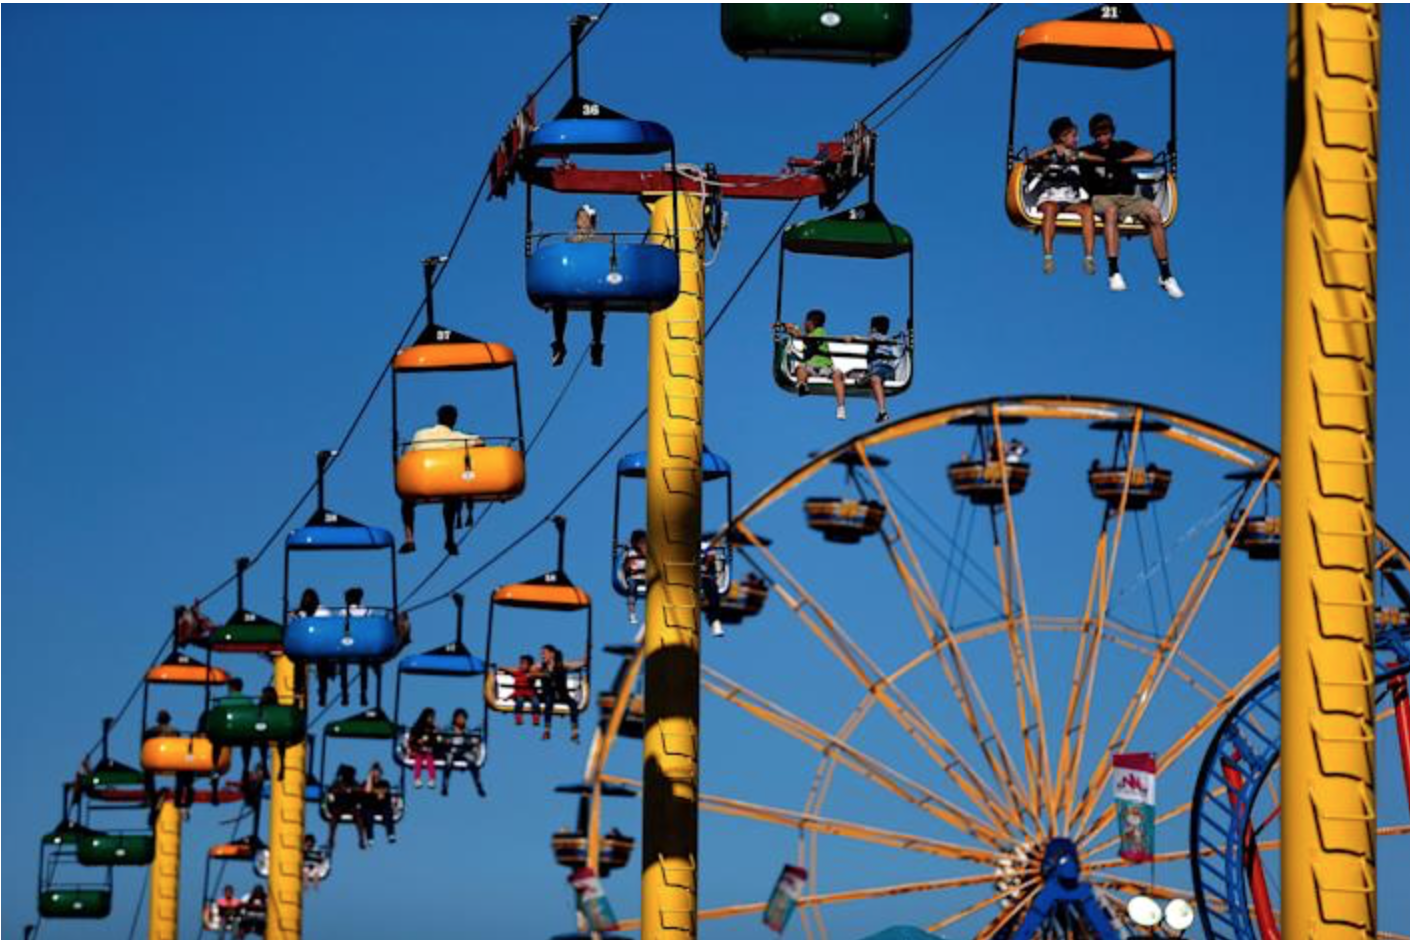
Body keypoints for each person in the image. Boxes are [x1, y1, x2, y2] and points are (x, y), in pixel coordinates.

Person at [1080, 112, 1184, 299]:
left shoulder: (1122, 147)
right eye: (1098, 134)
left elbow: (1148, 155)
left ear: (1112, 132)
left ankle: (1166, 274)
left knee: (1154, 215)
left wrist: (1122, 161)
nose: (1103, 137)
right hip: (1102, 197)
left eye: (1106, 133)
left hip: (1128, 197)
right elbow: (1075, 154)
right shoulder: (1089, 151)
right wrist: (1098, 160)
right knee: (1111, 212)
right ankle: (1114, 271)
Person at [400, 404, 481, 556]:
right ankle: (449, 538)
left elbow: (410, 454)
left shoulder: (420, 434)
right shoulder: (458, 437)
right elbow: (479, 442)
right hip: (446, 481)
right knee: (450, 499)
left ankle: (409, 538)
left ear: (437, 417)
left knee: (407, 502)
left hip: (422, 480)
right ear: (454, 419)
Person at [1028, 116, 1096, 276]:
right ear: (1062, 137)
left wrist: (1077, 156)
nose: (1077, 139)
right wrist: (1052, 149)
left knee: (1087, 210)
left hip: (1069, 201)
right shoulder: (1048, 155)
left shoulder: (1078, 154)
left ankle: (1089, 257)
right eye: (1074, 136)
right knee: (1051, 208)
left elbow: (1096, 159)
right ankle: (1048, 257)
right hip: (1049, 199)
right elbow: (1030, 159)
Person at [551, 204, 610, 369]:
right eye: (580, 218)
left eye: (585, 218)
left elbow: (604, 259)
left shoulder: (602, 239)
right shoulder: (570, 240)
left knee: (598, 303)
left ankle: (597, 344)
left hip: (593, 280)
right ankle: (559, 343)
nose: (582, 221)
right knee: (559, 302)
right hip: (574, 279)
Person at [782, 309, 848, 420]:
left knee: (837, 374)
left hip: (825, 367)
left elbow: (807, 338)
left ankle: (841, 406)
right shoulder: (809, 334)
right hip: (811, 367)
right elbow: (799, 333)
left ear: (810, 323)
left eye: (805, 322)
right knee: (800, 368)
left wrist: (795, 332)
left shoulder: (820, 331)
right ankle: (802, 385)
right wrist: (785, 327)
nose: (803, 325)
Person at [859, 314, 903, 424]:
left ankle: (882, 412)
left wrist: (853, 338)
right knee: (867, 375)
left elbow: (871, 340)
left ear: (873, 328)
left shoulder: (876, 336)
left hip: (882, 369)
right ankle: (864, 378)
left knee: (875, 378)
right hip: (884, 370)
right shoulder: (885, 338)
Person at [537, 644, 581, 743]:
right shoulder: (541, 666)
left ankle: (575, 731)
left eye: (544, 653)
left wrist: (585, 660)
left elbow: (576, 664)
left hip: (562, 694)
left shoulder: (561, 665)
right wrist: (541, 674)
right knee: (549, 703)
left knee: (573, 704)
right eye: (542, 654)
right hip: (549, 694)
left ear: (552, 654)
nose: (542, 656)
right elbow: (530, 671)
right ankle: (547, 730)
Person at [440, 707, 487, 798]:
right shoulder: (448, 729)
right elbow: (442, 737)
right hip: (451, 750)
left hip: (462, 751)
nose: (462, 720)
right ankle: (445, 783)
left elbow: (472, 738)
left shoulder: (467, 731)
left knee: (472, 760)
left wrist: (477, 732)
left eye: (464, 719)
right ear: (455, 719)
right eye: (460, 718)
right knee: (449, 760)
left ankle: (478, 783)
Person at [324, 763, 363, 854]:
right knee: (334, 817)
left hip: (350, 807)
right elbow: (331, 791)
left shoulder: (354, 783)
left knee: (359, 816)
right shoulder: (338, 783)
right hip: (339, 806)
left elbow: (360, 791)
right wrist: (341, 791)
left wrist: (353, 791)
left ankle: (361, 838)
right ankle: (331, 838)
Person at [360, 762, 397, 845]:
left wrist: (379, 794)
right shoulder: (366, 783)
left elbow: (383, 796)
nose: (376, 773)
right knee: (368, 814)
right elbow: (367, 791)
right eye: (374, 771)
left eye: (378, 771)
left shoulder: (385, 783)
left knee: (387, 811)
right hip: (370, 806)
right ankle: (370, 837)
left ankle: (390, 834)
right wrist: (369, 777)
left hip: (382, 805)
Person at [407, 707, 438, 789]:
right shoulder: (417, 727)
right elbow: (412, 739)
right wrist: (418, 741)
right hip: (418, 750)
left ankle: (432, 778)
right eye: (430, 717)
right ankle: (417, 778)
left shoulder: (433, 728)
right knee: (419, 759)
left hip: (428, 750)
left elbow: (436, 741)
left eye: (433, 717)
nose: (432, 719)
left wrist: (435, 734)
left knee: (429, 759)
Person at [621, 528, 647, 623]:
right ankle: (632, 613)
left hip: (645, 578)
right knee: (632, 588)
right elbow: (625, 567)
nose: (644, 545)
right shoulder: (631, 553)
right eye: (642, 543)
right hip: (634, 578)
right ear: (636, 544)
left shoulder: (649, 554)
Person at [510, 654, 540, 727]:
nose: (521, 665)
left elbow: (538, 671)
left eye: (524, 664)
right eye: (521, 663)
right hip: (519, 692)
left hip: (530, 693)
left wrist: (533, 672)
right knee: (519, 700)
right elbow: (509, 670)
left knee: (535, 702)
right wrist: (501, 668)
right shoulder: (518, 672)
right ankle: (518, 716)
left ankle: (536, 717)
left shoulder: (531, 674)